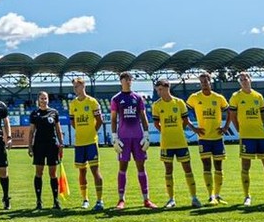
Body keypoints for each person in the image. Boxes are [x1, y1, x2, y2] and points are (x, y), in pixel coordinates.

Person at [229, 72, 264, 206]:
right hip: (246, 136)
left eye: (245, 79)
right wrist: (239, 129)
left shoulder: (258, 96)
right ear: (239, 82)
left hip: (260, 135)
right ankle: (247, 197)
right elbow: (232, 115)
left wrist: (259, 124)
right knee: (246, 166)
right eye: (241, 80)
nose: (244, 81)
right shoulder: (236, 96)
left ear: (250, 79)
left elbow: (263, 114)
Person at [109, 71, 155, 210]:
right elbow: (113, 119)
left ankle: (146, 199)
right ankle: (121, 200)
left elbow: (143, 116)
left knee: (141, 167)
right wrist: (114, 137)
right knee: (122, 168)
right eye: (126, 79)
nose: (128, 81)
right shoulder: (116, 99)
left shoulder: (138, 98)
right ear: (121, 81)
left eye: (130, 79)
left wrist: (146, 134)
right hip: (123, 138)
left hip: (138, 137)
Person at [151, 79, 200, 208]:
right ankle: (171, 199)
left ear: (167, 88)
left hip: (180, 142)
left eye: (160, 89)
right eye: (157, 90)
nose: (159, 92)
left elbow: (185, 120)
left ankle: (194, 198)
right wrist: (165, 131)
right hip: (166, 143)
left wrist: (180, 129)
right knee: (168, 170)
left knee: (187, 168)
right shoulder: (157, 105)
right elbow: (156, 123)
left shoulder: (179, 103)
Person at [187, 72, 230, 204]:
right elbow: (184, 113)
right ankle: (211, 195)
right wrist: (193, 128)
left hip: (217, 138)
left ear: (210, 82)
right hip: (203, 138)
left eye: (205, 81)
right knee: (206, 166)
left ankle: (217, 195)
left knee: (218, 167)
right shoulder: (194, 97)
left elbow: (230, 112)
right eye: (201, 82)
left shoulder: (218, 98)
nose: (204, 84)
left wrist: (225, 127)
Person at [67, 77, 105, 210]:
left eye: (77, 86)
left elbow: (99, 120)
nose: (75, 89)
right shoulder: (73, 104)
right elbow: (73, 122)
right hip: (79, 143)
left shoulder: (92, 102)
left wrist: (92, 132)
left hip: (91, 143)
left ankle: (99, 200)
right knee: (82, 172)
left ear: (83, 86)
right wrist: (81, 131)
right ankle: (85, 200)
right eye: (74, 87)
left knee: (95, 171)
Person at [27, 91, 64, 210]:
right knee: (39, 173)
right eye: (42, 98)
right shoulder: (34, 114)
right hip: (39, 146)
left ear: (48, 99)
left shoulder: (54, 112)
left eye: (45, 98)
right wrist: (30, 146)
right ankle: (39, 201)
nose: (44, 100)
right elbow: (31, 131)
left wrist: (61, 143)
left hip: (52, 146)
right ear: (38, 100)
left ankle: (56, 200)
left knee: (53, 173)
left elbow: (58, 129)